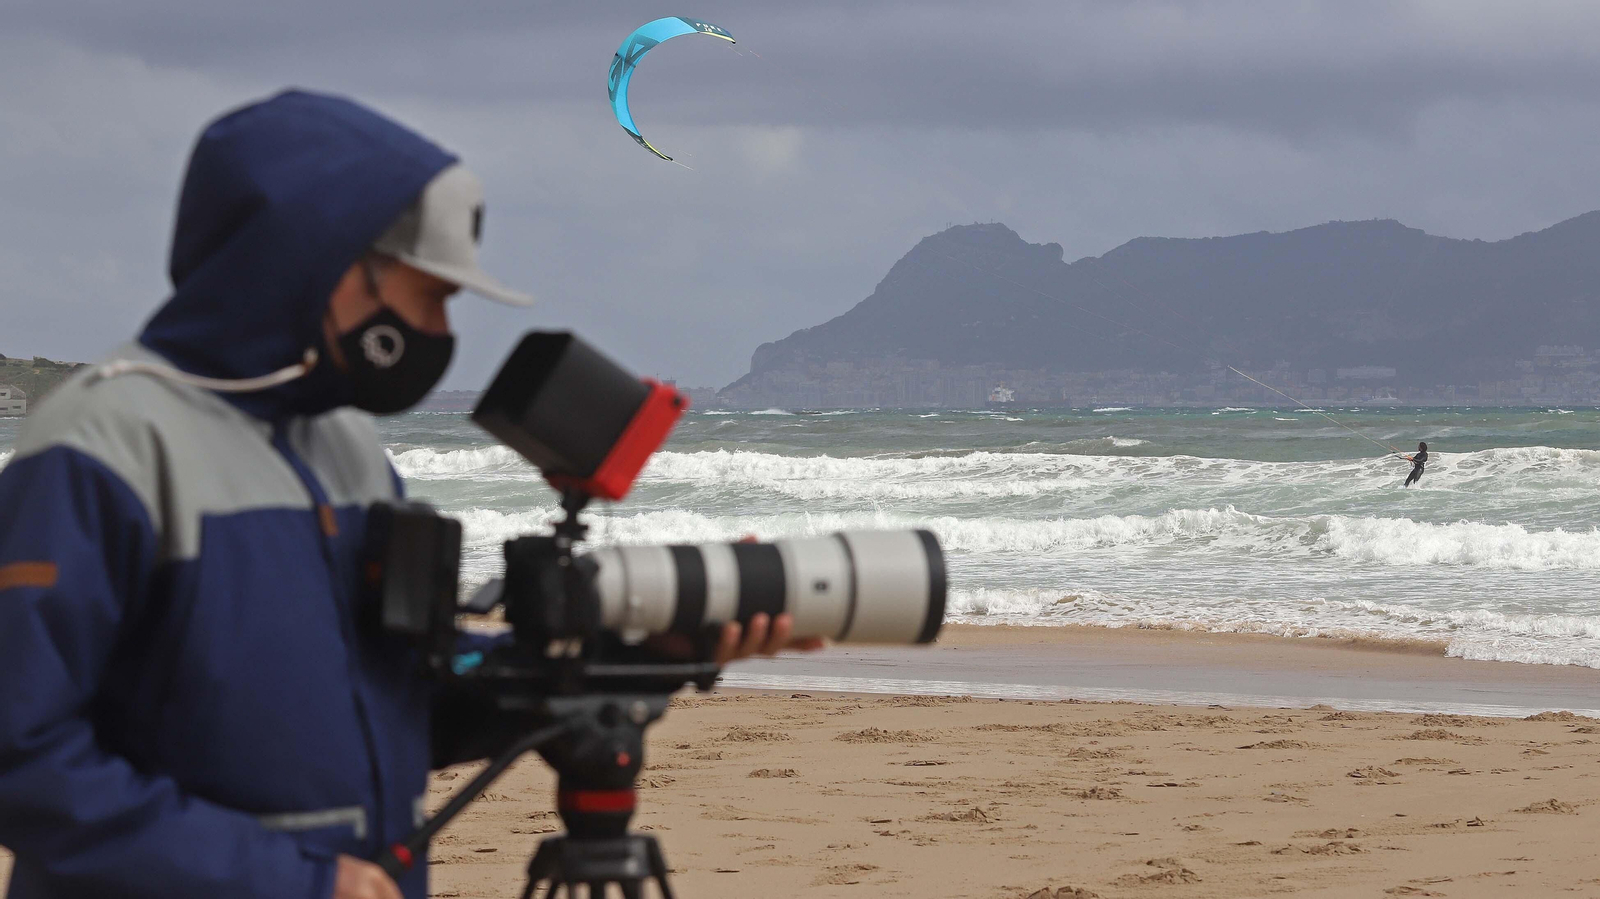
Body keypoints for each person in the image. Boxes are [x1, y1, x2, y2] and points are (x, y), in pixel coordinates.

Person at [0, 90, 812, 899]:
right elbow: (22, 757)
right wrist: (291, 881)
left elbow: (403, 696)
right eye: (431, 294)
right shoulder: (98, 449)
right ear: (324, 264)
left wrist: (636, 655)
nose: (441, 331)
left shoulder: (344, 446)